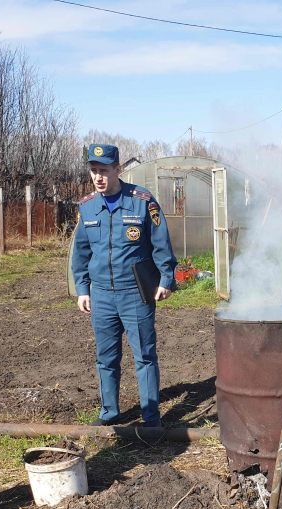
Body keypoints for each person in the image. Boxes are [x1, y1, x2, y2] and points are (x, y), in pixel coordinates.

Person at [71, 143, 177, 427]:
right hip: (102, 295)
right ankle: (109, 413)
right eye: (94, 171)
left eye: (104, 171)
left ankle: (151, 418)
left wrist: (166, 278)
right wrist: (82, 289)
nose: (98, 177)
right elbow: (80, 252)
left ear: (118, 169)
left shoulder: (142, 201)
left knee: (144, 355)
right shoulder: (87, 207)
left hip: (135, 294)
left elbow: (160, 243)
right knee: (106, 358)